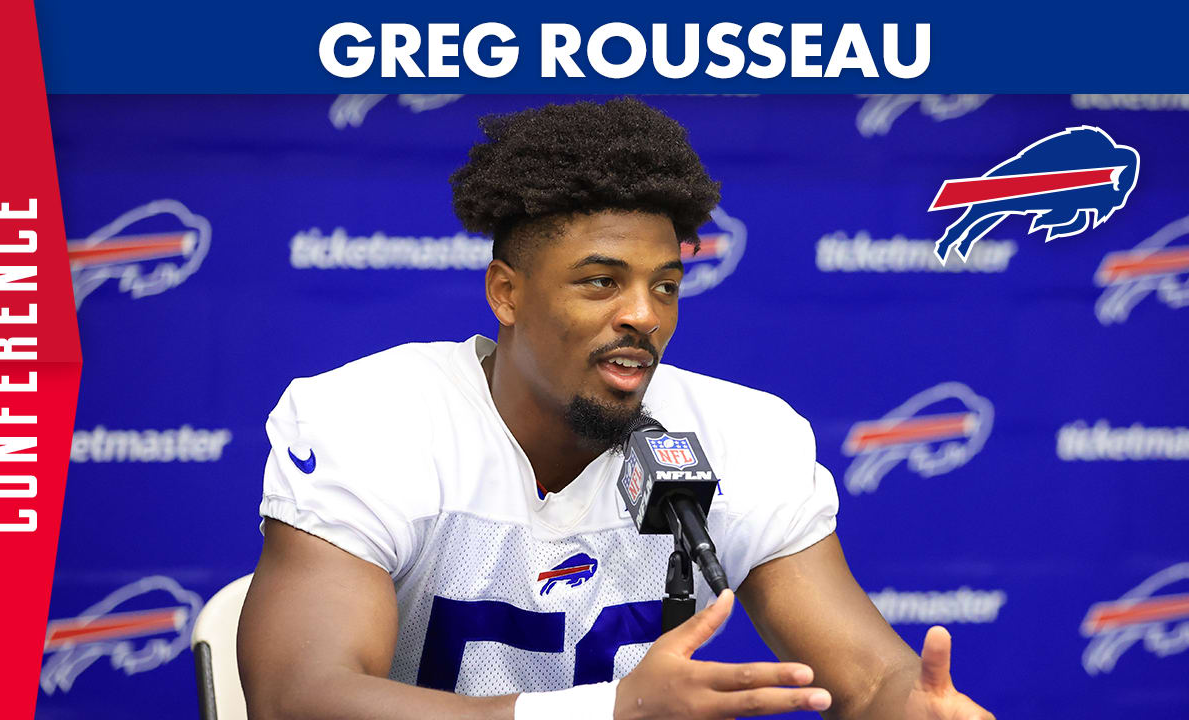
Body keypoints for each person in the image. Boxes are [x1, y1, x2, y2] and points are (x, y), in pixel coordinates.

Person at [238, 98, 994, 720]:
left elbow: (867, 679)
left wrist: (914, 707)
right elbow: (299, 699)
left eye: (665, 285)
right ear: (507, 293)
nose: (645, 315)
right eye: (601, 281)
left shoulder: (741, 435)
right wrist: (608, 709)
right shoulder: (373, 416)